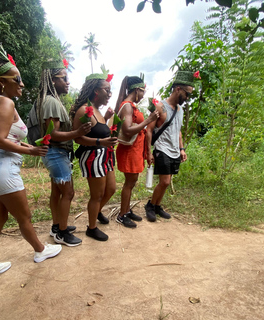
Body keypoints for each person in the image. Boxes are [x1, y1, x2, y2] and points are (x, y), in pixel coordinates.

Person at [0, 44, 62, 283]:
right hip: (1, 169)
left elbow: (2, 139)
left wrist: (30, 149)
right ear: (2, 81)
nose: (22, 84)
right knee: (24, 217)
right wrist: (32, 149)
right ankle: (41, 251)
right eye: (17, 79)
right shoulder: (5, 103)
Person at [36, 58, 91, 246]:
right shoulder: (51, 102)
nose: (67, 82)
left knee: (57, 193)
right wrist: (77, 132)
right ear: (52, 81)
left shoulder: (51, 100)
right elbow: (52, 134)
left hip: (53, 153)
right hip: (56, 153)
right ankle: (62, 233)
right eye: (63, 78)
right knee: (68, 193)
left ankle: (57, 225)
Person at [70, 68, 117, 241]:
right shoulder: (84, 110)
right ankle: (91, 228)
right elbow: (78, 138)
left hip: (105, 155)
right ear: (96, 91)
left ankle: (96, 212)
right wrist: (100, 142)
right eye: (107, 89)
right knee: (96, 195)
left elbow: (99, 130)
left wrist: (107, 117)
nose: (109, 93)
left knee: (111, 189)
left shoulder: (97, 110)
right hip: (92, 157)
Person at [144, 71, 194, 222]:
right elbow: (149, 130)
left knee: (166, 183)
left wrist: (182, 149)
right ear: (178, 89)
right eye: (187, 94)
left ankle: (158, 206)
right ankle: (150, 205)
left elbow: (178, 131)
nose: (187, 98)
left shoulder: (180, 110)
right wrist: (148, 153)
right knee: (164, 181)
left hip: (174, 151)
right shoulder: (160, 107)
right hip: (162, 149)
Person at [114, 76, 159, 228]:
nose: (143, 95)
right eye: (143, 92)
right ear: (137, 90)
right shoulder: (127, 106)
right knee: (129, 183)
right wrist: (148, 120)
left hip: (135, 149)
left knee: (132, 182)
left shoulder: (131, 106)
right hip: (129, 150)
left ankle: (126, 210)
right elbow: (126, 130)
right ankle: (122, 215)